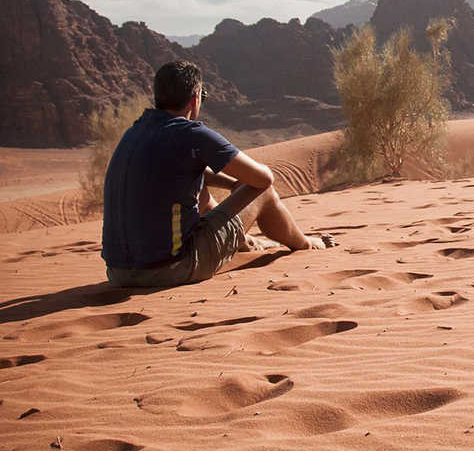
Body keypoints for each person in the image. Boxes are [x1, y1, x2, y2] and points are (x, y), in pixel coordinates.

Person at [101, 61, 333, 287]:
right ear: (194, 98)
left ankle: (243, 242)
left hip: (118, 273)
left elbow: (187, 173)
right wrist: (240, 186)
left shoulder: (135, 131)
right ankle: (305, 244)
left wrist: (232, 184)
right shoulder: (192, 134)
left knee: (197, 187)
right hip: (167, 270)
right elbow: (263, 179)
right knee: (265, 192)